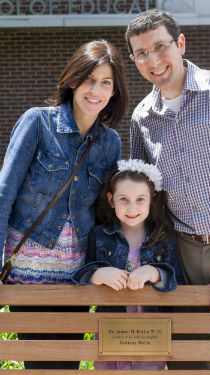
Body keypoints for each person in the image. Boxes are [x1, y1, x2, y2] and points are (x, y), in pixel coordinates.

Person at [125, 8, 210, 370]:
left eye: (160, 46)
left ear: (180, 44)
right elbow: (145, 198)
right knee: (187, 362)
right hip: (179, 254)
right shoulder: (142, 118)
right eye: (141, 53)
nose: (153, 60)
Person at [0, 40, 129, 370]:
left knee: (69, 362)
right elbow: (4, 193)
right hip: (29, 271)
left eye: (105, 82)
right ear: (73, 80)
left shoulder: (109, 143)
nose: (95, 90)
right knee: (41, 362)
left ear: (114, 92)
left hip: (76, 273)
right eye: (89, 79)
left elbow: (104, 212)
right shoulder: (38, 123)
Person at [73, 158, 184, 371]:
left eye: (140, 199)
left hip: (151, 332)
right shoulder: (100, 236)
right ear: (111, 199)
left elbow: (175, 280)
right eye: (124, 199)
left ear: (151, 199)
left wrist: (154, 272)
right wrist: (99, 274)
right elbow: (82, 276)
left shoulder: (163, 238)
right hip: (111, 330)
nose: (132, 207)